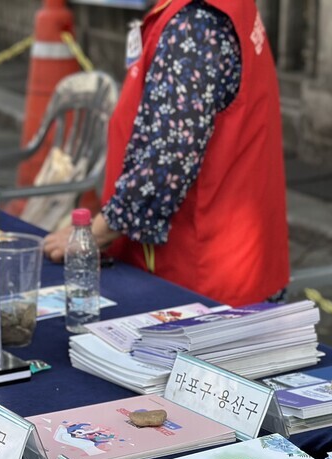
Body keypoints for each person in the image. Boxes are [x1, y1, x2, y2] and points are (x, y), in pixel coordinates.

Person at [42, 0, 290, 307]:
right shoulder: (214, 11)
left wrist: (92, 235)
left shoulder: (194, 24)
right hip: (237, 267)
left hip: (199, 282)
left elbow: (166, 161)